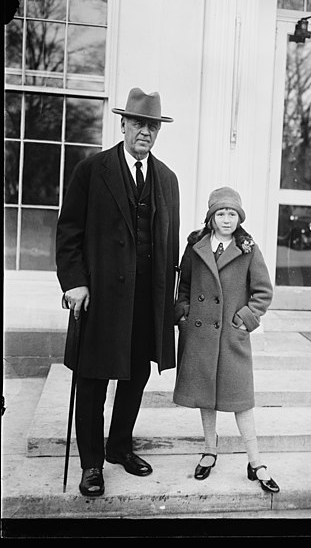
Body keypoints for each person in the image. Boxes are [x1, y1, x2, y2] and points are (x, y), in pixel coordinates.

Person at [56, 87, 180, 497]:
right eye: (139, 123)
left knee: (136, 374)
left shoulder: (167, 180)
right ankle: (91, 464)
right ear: (123, 123)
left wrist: (172, 299)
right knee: (92, 379)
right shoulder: (91, 170)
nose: (145, 131)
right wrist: (75, 282)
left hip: (147, 299)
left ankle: (118, 447)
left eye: (153, 125)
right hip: (101, 297)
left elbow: (170, 244)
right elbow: (69, 232)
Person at [173, 187, 280, 493]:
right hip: (201, 335)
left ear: (239, 217)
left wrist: (244, 319)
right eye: (221, 213)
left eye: (232, 214)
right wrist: (183, 312)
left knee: (240, 401)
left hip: (232, 337)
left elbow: (263, 292)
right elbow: (185, 286)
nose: (227, 219)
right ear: (211, 217)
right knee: (205, 395)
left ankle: (256, 460)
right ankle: (209, 450)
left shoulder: (248, 249)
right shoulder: (195, 247)